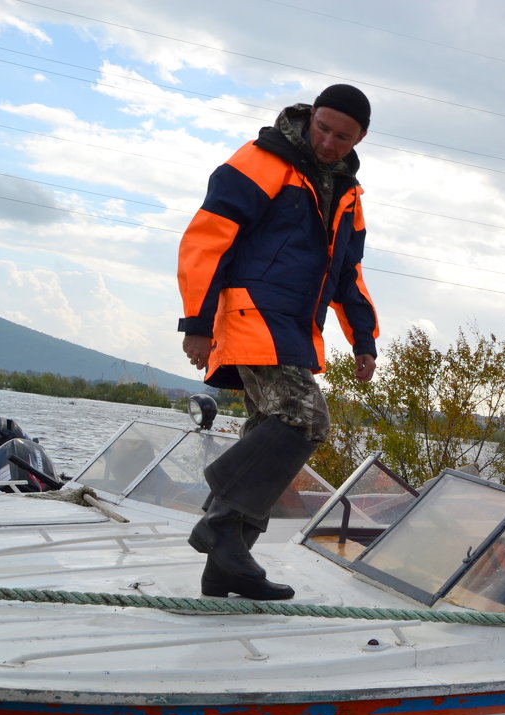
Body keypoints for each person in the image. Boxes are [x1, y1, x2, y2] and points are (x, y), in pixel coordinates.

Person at [177, 84, 380, 600]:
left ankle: (227, 564)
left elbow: (348, 273)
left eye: (343, 136)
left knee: (266, 428)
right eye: (322, 128)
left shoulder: (350, 194)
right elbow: (207, 237)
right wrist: (197, 323)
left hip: (295, 328)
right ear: (310, 116)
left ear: (360, 138)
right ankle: (220, 522)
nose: (329, 142)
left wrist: (363, 339)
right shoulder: (260, 160)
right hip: (250, 312)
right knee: (305, 419)